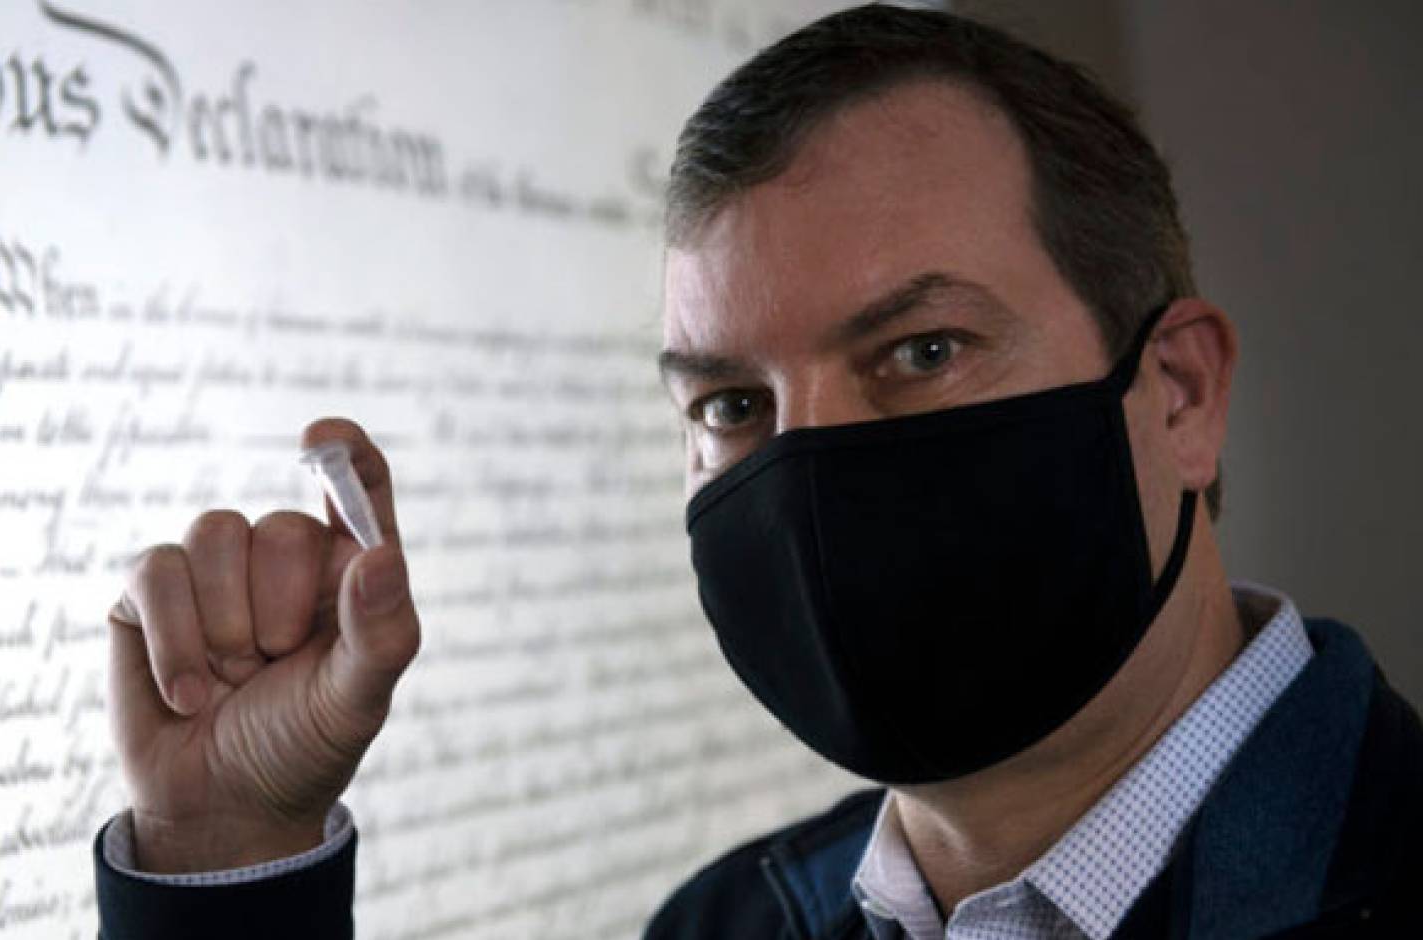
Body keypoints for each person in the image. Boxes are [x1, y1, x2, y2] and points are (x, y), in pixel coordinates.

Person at [92, 6, 1423, 938]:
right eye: (733, 404)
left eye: (923, 351)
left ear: (1179, 394)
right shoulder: (718, 924)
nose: (811, 476)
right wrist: (230, 860)